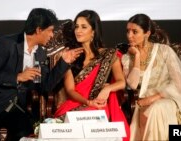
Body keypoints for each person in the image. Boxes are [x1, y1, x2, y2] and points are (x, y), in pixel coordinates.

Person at [0, 8, 83, 141]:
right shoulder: (6, 44)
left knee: (27, 133)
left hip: (17, 109)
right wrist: (17, 77)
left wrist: (63, 62)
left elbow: (45, 86)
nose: (52, 35)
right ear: (39, 30)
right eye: (50, 30)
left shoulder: (40, 53)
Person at [121, 13, 181, 141]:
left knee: (157, 109)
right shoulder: (127, 58)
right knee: (151, 110)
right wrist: (136, 57)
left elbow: (179, 83)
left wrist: (154, 98)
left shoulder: (164, 51)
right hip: (143, 103)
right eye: (128, 31)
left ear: (147, 33)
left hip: (168, 98)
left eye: (135, 31)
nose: (129, 36)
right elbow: (132, 85)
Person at [53, 10, 130, 141]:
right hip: (75, 103)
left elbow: (121, 82)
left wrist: (107, 88)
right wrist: (88, 102)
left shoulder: (109, 54)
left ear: (93, 31)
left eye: (84, 27)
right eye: (76, 27)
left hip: (99, 105)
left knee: (93, 121)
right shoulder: (70, 56)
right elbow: (70, 90)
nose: (78, 31)